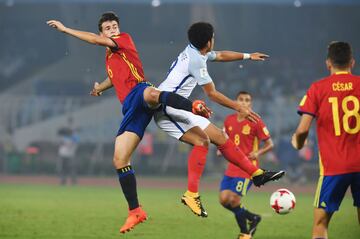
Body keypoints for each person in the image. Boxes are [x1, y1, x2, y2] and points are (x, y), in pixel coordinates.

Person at [47, 12, 212, 234]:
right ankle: (135, 211)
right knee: (119, 159)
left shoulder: (123, 39)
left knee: (152, 94)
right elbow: (113, 78)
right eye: (108, 28)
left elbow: (95, 41)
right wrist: (99, 88)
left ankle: (192, 106)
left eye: (114, 26)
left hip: (139, 90)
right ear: (102, 31)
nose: (113, 29)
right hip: (131, 109)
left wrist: (66, 29)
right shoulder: (110, 57)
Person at [154, 22, 285, 217]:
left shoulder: (194, 51)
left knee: (221, 138)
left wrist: (248, 56)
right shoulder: (196, 60)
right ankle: (191, 194)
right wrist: (238, 106)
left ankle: (257, 175)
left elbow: (221, 55)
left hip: (179, 106)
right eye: (213, 37)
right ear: (208, 42)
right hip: (167, 109)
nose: (214, 40)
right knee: (203, 141)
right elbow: (212, 94)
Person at [292, 41, 360, 239]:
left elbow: (303, 128)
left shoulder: (318, 88)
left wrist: (298, 142)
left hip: (333, 168)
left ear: (328, 63)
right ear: (352, 62)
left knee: (320, 224)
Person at [217, 91, 274, 239]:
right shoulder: (228, 120)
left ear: (251, 104)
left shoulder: (256, 121)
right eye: (240, 99)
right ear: (236, 101)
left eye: (247, 100)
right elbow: (224, 138)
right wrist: (220, 149)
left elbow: (270, 144)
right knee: (223, 200)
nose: (243, 102)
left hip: (248, 168)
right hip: (232, 166)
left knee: (234, 200)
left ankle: (245, 233)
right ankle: (253, 218)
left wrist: (258, 153)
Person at [57, 117, 79, 185]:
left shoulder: (74, 137)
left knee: (71, 169)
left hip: (70, 155)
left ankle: (73, 182)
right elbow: (60, 142)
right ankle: (63, 181)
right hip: (63, 154)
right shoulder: (63, 137)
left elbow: (75, 142)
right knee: (63, 169)